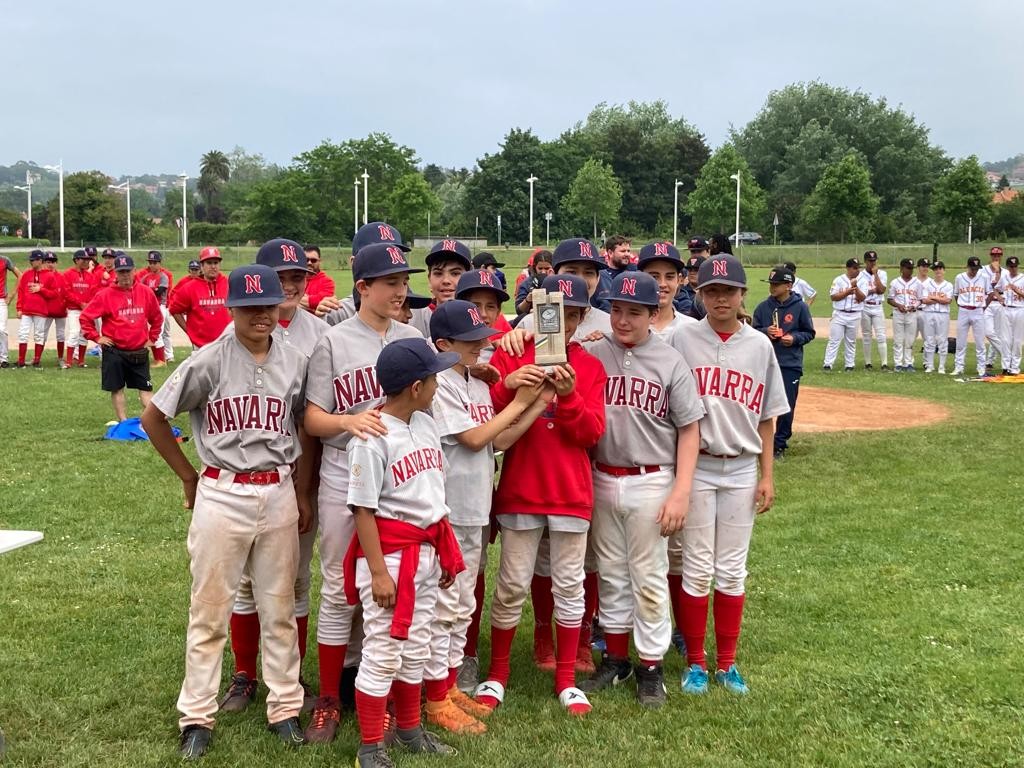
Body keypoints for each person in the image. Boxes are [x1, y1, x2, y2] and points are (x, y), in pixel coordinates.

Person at [141, 263, 315, 759]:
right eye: (250, 306)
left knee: (280, 608)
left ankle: (284, 707)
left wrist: (302, 491)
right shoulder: (209, 359)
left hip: (278, 489)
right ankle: (197, 715)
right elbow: (153, 417)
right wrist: (188, 476)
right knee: (210, 611)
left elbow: (303, 427)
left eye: (269, 305)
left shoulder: (295, 360)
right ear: (232, 308)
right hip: (222, 490)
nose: (262, 314)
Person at [301, 242, 425, 744]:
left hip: (400, 480)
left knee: (395, 582)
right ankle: (330, 698)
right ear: (363, 287)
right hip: (342, 469)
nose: (401, 291)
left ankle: (386, 697)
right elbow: (311, 418)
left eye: (403, 282)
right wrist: (347, 422)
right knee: (338, 587)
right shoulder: (334, 340)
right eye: (391, 282)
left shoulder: (413, 336)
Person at [474, 273, 607, 717]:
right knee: (512, 583)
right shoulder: (515, 354)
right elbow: (488, 416)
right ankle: (498, 673)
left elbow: (590, 434)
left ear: (581, 318)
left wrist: (567, 397)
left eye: (572, 316)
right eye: (553, 314)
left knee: (569, 584)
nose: (562, 324)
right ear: (537, 313)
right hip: (522, 487)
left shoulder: (589, 367)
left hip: (570, 491)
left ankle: (566, 678)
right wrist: (509, 384)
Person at [424, 300, 547, 734]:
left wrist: (536, 403)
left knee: (463, 604)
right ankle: (435, 697)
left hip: (476, 505)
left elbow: (501, 441)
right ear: (443, 345)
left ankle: (449, 685)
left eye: (482, 338)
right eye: (470, 341)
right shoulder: (439, 383)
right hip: (449, 508)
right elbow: (475, 438)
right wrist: (519, 401)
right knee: (445, 606)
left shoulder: (474, 381)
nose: (481, 346)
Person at [580, 271, 702, 709]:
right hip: (602, 475)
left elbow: (689, 428)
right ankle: (616, 659)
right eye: (616, 309)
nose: (622, 320)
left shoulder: (670, 360)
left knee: (649, 577)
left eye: (634, 312)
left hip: (652, 477)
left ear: (654, 313)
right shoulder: (594, 352)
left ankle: (651, 667)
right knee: (611, 572)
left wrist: (681, 490)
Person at [668, 254, 789, 696]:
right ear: (700, 295)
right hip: (697, 466)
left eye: (729, 291)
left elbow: (768, 417)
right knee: (697, 568)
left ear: (742, 295)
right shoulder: (682, 337)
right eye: (712, 291)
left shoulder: (759, 345)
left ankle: (728, 663)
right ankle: (696, 663)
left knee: (733, 570)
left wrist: (767, 475)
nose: (720, 299)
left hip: (741, 467)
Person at [221, 239, 328, 717]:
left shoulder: (320, 333)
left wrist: (305, 489)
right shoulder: (234, 333)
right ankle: (245, 672)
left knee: (295, 579)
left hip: (295, 473)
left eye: (297, 276)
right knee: (245, 582)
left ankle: (291, 674)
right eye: (278, 277)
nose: (288, 285)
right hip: (241, 475)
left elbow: (311, 417)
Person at [345, 337, 463, 767]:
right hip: (391, 555)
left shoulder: (425, 423)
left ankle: (410, 730)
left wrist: (444, 551)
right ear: (416, 387)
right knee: (383, 650)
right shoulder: (371, 436)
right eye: (433, 378)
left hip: (426, 549)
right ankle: (370, 746)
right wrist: (378, 572)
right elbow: (362, 509)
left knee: (418, 645)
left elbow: (431, 492)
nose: (438, 383)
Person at [79, 254, 163, 423]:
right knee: (117, 388)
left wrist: (152, 337)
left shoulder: (145, 292)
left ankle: (154, 422)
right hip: (114, 350)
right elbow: (85, 317)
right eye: (121, 272)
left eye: (128, 271)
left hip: (138, 350)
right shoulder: (105, 295)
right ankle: (123, 422)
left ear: (134, 271)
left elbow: (157, 317)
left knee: (146, 388)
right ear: (115, 273)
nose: (125, 275)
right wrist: (96, 337)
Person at [752, 266, 816, 459]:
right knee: (758, 403)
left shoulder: (800, 307)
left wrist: (794, 339)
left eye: (777, 284)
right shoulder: (763, 307)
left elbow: (809, 332)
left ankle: (779, 444)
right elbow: (752, 332)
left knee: (786, 405)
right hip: (765, 363)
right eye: (771, 283)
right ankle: (756, 441)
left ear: (788, 285)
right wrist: (765, 331)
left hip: (790, 363)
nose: (772, 287)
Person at [516, 238, 612, 340]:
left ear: (598, 278)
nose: (580, 280)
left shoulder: (610, 327)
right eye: (571, 272)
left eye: (588, 273)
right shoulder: (529, 325)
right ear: (552, 275)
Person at [169, 246, 230, 348]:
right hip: (201, 345)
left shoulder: (228, 284)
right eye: (209, 263)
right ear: (201, 265)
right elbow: (174, 310)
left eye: (216, 263)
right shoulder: (190, 287)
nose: (213, 266)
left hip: (226, 343)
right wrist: (189, 331)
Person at [638, 241, 697, 345]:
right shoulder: (625, 327)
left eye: (669, 277)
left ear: (679, 280)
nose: (662, 284)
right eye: (654, 277)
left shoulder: (692, 328)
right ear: (639, 278)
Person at [14, 250, 60, 368]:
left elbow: (54, 294)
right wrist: (19, 308)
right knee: (23, 333)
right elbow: (21, 292)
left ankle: (37, 361)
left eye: (33, 260)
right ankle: (21, 361)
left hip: (40, 311)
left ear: (40, 261)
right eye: (31, 260)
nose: (31, 262)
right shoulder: (26, 274)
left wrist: (41, 289)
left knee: (39, 335)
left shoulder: (49, 275)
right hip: (26, 310)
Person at [822, 258, 866, 371]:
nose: (857, 270)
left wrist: (856, 288)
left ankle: (849, 365)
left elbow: (862, 297)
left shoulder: (863, 280)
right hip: (839, 314)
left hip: (855, 314)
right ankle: (828, 364)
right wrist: (847, 292)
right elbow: (833, 297)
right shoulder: (839, 280)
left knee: (851, 341)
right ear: (848, 268)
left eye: (858, 268)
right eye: (854, 268)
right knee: (834, 340)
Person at [952, 256, 989, 376]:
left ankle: (981, 368)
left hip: (978, 310)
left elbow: (990, 293)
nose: (974, 271)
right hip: (963, 310)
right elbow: (956, 294)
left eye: (976, 269)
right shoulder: (959, 277)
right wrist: (961, 305)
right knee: (961, 341)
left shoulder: (984, 277)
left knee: (980, 342)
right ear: (968, 266)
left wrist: (983, 307)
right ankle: (959, 367)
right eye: (973, 268)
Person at [136, 250, 173, 366]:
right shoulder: (146, 277)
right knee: (150, 333)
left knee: (158, 333)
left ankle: (162, 360)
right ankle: (158, 359)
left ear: (159, 263)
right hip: (149, 307)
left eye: (155, 262)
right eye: (150, 262)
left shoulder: (163, 276)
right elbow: (139, 289)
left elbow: (159, 291)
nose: (152, 265)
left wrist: (148, 291)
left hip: (160, 306)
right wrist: (151, 290)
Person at [62, 250, 97, 368]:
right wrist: (80, 303)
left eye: (88, 260)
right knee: (74, 332)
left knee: (84, 334)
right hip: (74, 309)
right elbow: (67, 293)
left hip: (86, 310)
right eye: (84, 259)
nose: (87, 262)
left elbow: (93, 292)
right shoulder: (68, 274)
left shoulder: (90, 276)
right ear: (76, 260)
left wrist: (88, 304)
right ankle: (68, 361)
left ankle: (81, 360)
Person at [920, 261, 953, 374]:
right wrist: (939, 299)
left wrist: (933, 298)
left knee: (942, 340)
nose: (938, 271)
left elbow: (948, 300)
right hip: (929, 313)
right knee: (929, 339)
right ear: (933, 271)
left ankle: (941, 367)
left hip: (943, 314)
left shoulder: (948, 285)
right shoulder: (927, 284)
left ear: (944, 270)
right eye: (936, 269)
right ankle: (930, 366)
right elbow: (924, 300)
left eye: (940, 268)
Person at [887, 259, 921, 372]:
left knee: (910, 340)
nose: (910, 270)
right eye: (907, 268)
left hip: (912, 313)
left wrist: (914, 306)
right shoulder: (895, 282)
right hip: (898, 313)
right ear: (901, 268)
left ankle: (909, 363)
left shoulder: (917, 283)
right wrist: (898, 305)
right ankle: (898, 363)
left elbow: (920, 299)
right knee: (898, 339)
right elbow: (889, 299)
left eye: (911, 268)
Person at [859, 251, 888, 370]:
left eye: (874, 260)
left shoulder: (882, 273)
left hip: (877, 306)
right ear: (865, 261)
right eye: (870, 261)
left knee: (881, 335)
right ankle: (868, 363)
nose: (872, 263)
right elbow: (861, 294)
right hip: (864, 306)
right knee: (866, 335)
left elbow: (881, 290)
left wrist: (875, 275)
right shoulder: (860, 275)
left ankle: (884, 363)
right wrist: (871, 290)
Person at [981, 246, 1008, 372]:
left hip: (1000, 303)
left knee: (998, 334)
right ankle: (1006, 354)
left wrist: (998, 273)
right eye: (994, 255)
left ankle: (990, 362)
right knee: (989, 332)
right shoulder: (983, 270)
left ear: (1001, 256)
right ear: (990, 256)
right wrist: (996, 276)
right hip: (987, 303)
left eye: (998, 255)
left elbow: (1004, 288)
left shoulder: (1006, 272)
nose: (996, 257)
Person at [41, 252, 69, 368]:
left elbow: (66, 292)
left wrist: (65, 305)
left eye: (53, 262)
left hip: (60, 310)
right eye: (48, 262)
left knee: (61, 335)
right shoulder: (41, 276)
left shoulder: (61, 277)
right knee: (42, 335)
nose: (50, 264)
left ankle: (60, 358)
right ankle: (37, 358)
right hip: (46, 311)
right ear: (44, 263)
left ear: (56, 263)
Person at [425, 240, 472, 308]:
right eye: (438, 273)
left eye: (455, 273)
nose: (446, 281)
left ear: (469, 279)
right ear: (429, 279)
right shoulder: (414, 314)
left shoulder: (483, 313)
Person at [593, 235, 634, 312]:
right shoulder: (599, 274)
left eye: (628, 251)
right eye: (623, 251)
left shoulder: (634, 272)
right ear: (610, 253)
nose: (627, 254)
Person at [1000, 256, 1024, 375]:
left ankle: (1014, 367)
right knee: (1005, 339)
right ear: (1008, 267)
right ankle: (1005, 366)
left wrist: (1017, 290)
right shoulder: (1004, 278)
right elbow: (996, 289)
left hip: (1020, 310)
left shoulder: (1023, 278)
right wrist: (1000, 298)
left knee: (1017, 340)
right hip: (1006, 309)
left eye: (1015, 266)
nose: (1013, 268)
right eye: (1011, 266)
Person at [513, 250, 554, 317]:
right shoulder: (527, 283)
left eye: (547, 268)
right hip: (531, 318)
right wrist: (528, 300)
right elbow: (519, 311)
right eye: (540, 268)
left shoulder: (559, 282)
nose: (543, 272)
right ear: (535, 268)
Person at [0, 253, 22, 367]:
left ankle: (3, 359)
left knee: (1, 330)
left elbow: (20, 275)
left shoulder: (4, 260)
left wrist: (12, 295)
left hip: (1, 300)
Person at [300, 246, 335, 315]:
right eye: (306, 260)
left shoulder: (328, 282)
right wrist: (312, 307)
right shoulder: (295, 279)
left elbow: (323, 302)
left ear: (319, 261)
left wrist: (297, 301)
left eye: (313, 260)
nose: (309, 263)